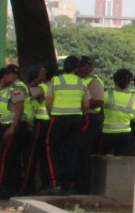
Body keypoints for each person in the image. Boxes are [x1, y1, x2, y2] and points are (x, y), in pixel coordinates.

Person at [45, 56, 90, 195]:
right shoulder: (81, 82)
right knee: (71, 151)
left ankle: (55, 183)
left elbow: (48, 100)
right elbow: (87, 104)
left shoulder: (56, 80)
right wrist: (80, 114)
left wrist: (51, 114)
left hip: (58, 118)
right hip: (76, 120)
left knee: (51, 149)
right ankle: (67, 184)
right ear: (76, 68)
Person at [0, 65, 28, 198]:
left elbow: (19, 108)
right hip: (7, 124)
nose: (4, 76)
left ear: (15, 75)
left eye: (8, 74)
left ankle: (4, 188)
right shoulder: (7, 88)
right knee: (10, 158)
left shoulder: (17, 88)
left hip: (13, 126)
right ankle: (9, 187)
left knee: (6, 157)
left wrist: (13, 127)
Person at [22, 62, 58, 194]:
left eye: (41, 72)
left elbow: (26, 92)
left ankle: (25, 186)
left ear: (45, 74)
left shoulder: (44, 86)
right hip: (53, 122)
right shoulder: (57, 85)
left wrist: (38, 80)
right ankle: (46, 184)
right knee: (47, 155)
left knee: (32, 155)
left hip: (42, 123)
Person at [75, 56, 105, 193]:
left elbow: (99, 101)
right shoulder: (77, 80)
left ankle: (84, 187)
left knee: (84, 151)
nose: (80, 69)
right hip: (79, 117)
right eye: (79, 66)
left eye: (83, 66)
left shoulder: (94, 81)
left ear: (89, 67)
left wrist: (81, 103)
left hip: (90, 118)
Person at [100, 69, 135, 156]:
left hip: (107, 133)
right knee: (121, 160)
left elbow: (100, 111)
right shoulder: (134, 98)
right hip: (125, 134)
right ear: (129, 82)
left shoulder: (106, 94)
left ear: (114, 81)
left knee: (106, 159)